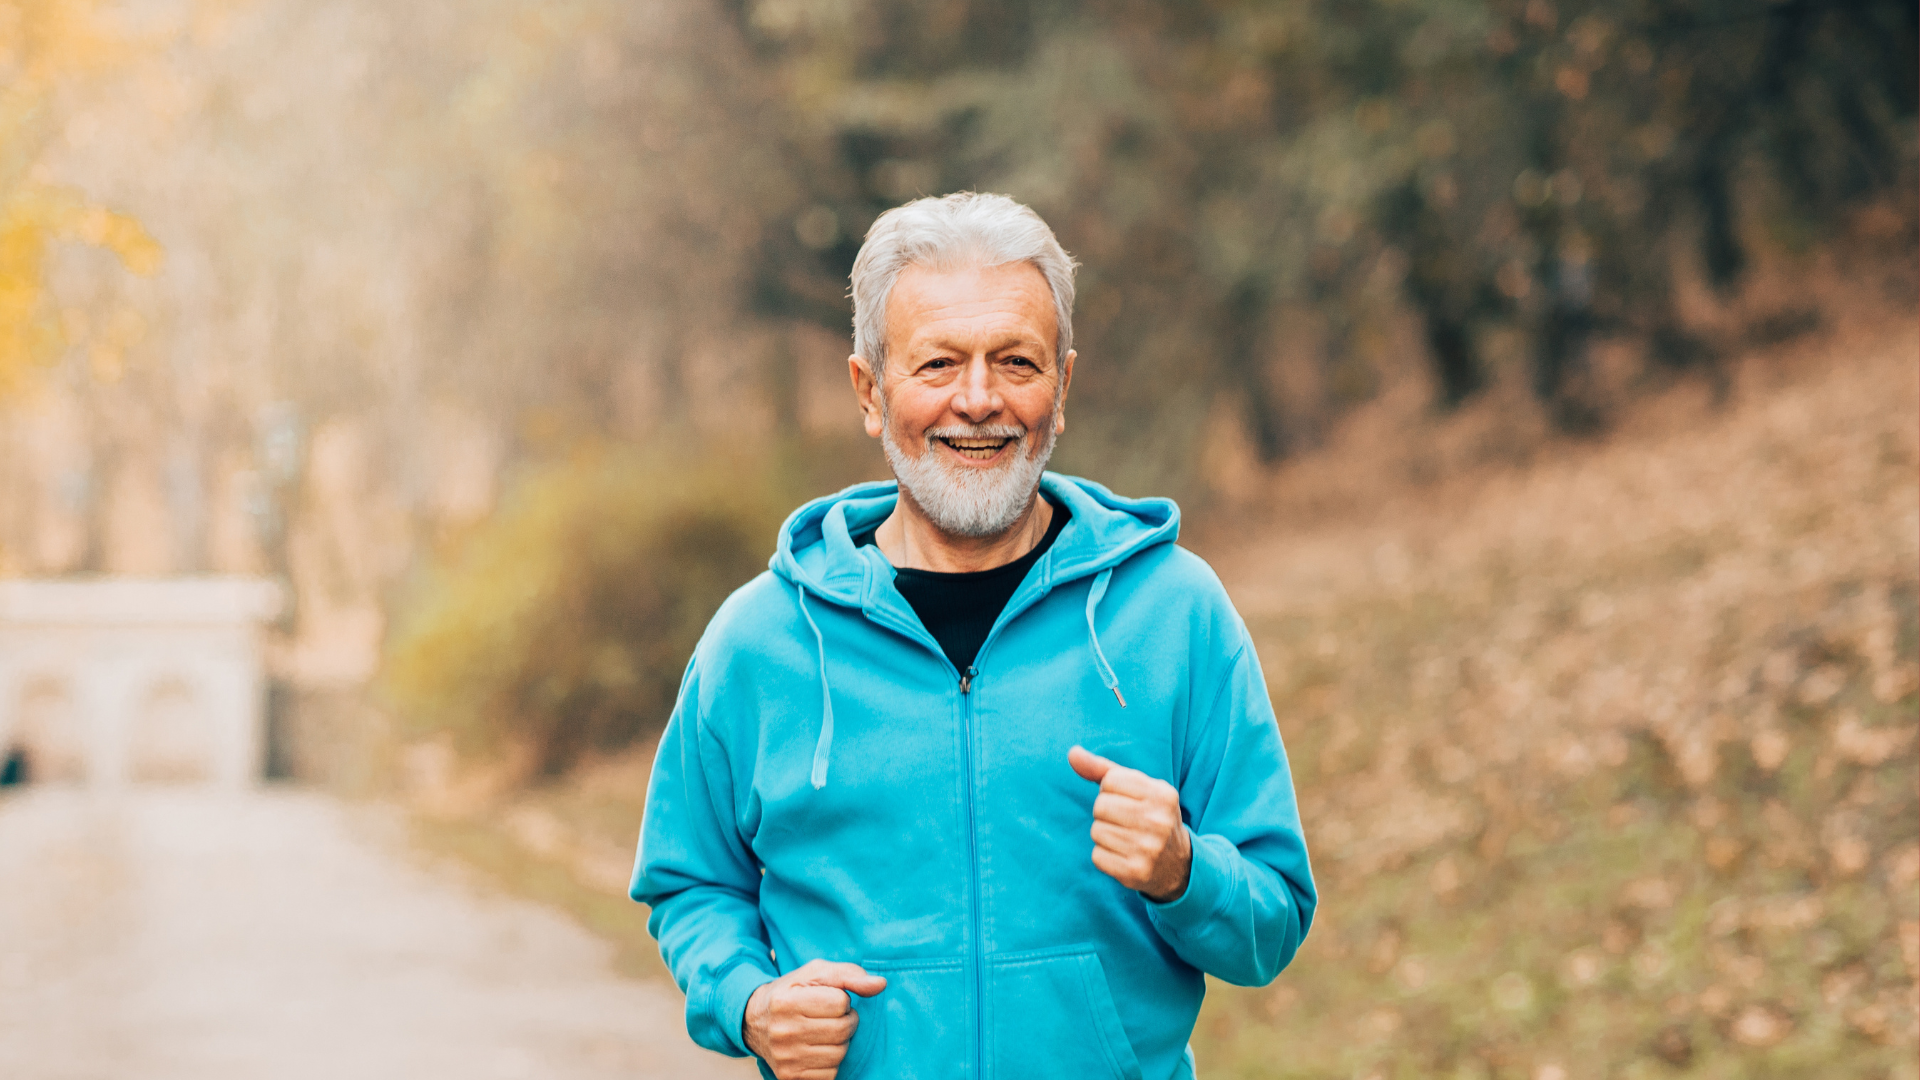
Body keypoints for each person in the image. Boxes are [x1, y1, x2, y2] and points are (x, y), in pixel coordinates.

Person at [632, 192, 1314, 1080]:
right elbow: (691, 882)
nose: (980, 399)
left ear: (1061, 388)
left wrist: (1187, 871)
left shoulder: (1175, 616)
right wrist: (747, 1002)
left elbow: (1273, 921)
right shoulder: (758, 643)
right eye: (939, 363)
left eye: (1016, 362)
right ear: (871, 392)